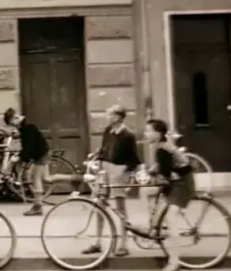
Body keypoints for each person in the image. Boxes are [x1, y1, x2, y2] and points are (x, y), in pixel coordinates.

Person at [83, 105, 141, 257]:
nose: (106, 117)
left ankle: (123, 243)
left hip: (119, 170)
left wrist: (124, 171)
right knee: (99, 204)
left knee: (120, 208)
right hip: (105, 170)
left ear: (118, 117)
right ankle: (98, 242)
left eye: (109, 114)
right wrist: (96, 159)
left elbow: (134, 160)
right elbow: (103, 149)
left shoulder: (128, 135)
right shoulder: (108, 131)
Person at [4, 108, 80, 216]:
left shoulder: (28, 126)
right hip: (41, 152)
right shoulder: (25, 125)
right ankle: (75, 178)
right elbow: (30, 139)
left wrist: (20, 158)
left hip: (40, 154)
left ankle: (38, 206)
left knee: (36, 179)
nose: (13, 125)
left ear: (15, 118)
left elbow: (29, 145)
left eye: (12, 123)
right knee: (47, 178)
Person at [145, 119, 194, 271]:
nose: (145, 133)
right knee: (150, 198)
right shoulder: (162, 144)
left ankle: (175, 261)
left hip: (182, 184)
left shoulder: (162, 149)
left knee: (172, 219)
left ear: (157, 134)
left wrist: (150, 177)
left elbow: (164, 174)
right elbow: (163, 166)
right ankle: (155, 235)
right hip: (176, 181)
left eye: (148, 131)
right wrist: (150, 172)